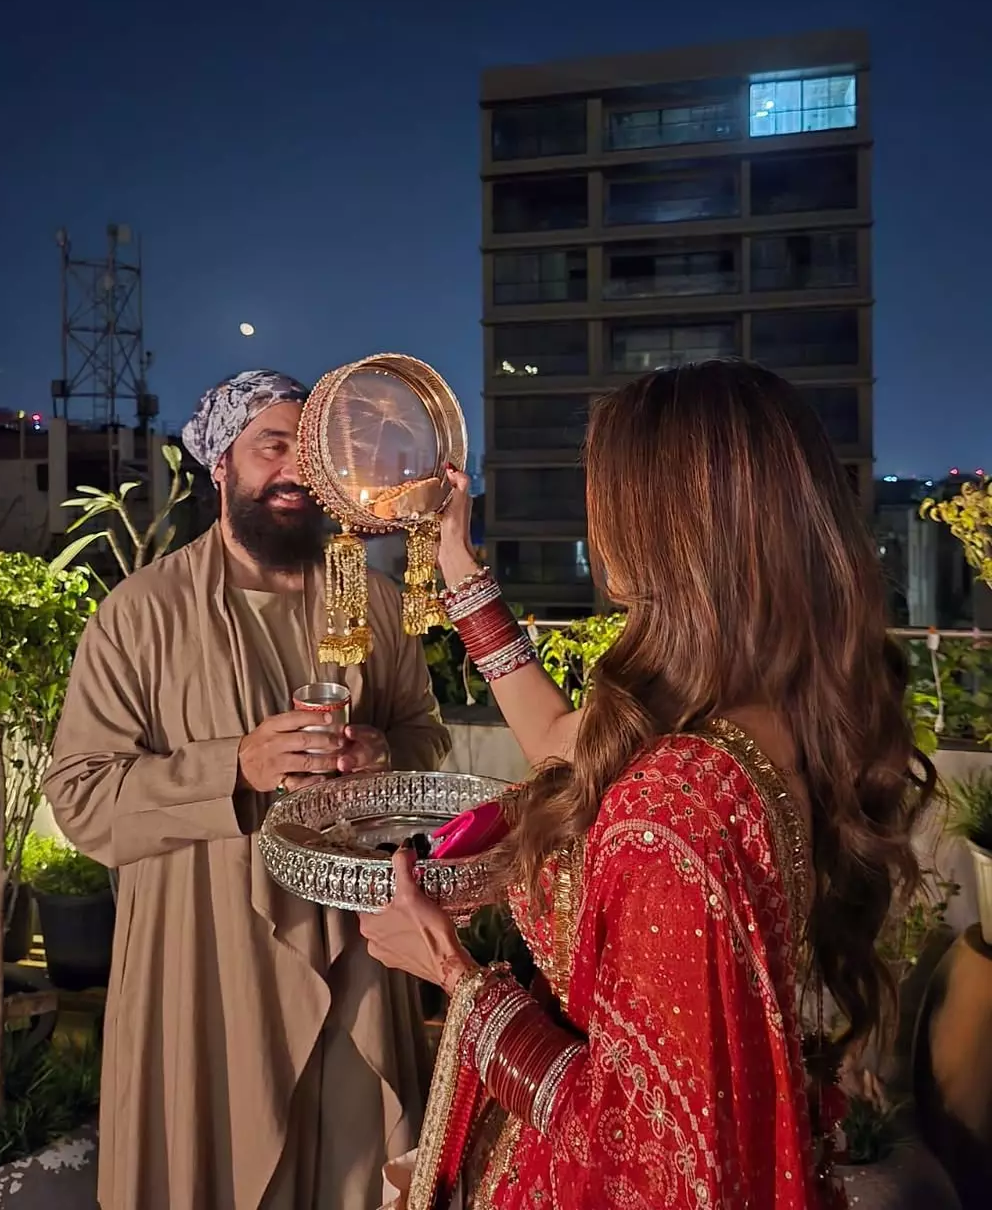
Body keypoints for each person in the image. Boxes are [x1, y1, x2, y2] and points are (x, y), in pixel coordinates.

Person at [361, 359, 934, 1210]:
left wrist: (454, 976)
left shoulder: (669, 809)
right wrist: (458, 565)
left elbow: (645, 1160)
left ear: (664, 524)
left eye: (606, 492)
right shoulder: (766, 707)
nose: (595, 522)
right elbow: (558, 742)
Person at [45, 369, 450, 1210]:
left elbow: (425, 736)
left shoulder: (372, 602)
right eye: (272, 446)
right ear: (221, 464)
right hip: (203, 959)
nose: (294, 470)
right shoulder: (140, 614)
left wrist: (385, 755)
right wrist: (233, 766)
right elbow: (81, 796)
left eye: (311, 450)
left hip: (358, 954)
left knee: (355, 1169)